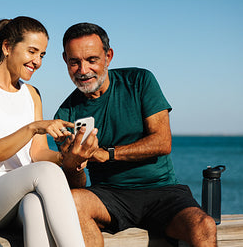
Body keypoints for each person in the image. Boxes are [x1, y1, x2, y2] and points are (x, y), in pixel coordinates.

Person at [54, 22, 217, 247]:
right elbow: (78, 186)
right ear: (65, 60)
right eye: (75, 62)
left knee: (204, 225)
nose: (83, 70)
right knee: (72, 201)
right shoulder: (65, 113)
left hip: (162, 191)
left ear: (108, 56)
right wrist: (73, 165)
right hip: (110, 196)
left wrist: (105, 155)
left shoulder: (140, 81)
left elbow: (162, 142)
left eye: (92, 60)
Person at [0, 16, 98, 247]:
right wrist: (33, 127)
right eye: (32, 51)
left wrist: (68, 156)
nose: (37, 61)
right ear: (7, 47)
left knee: (34, 205)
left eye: (42, 55)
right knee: (47, 172)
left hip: (18, 197)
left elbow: (37, 153)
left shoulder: (32, 94)